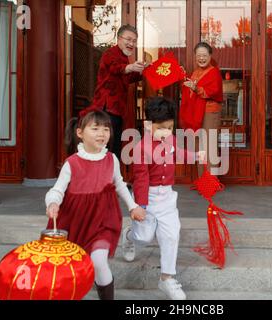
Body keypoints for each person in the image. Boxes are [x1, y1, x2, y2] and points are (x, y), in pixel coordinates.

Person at [45, 110, 146, 300]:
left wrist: (133, 206)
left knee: (99, 260)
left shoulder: (111, 159)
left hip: (103, 219)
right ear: (80, 133)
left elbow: (120, 184)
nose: (102, 133)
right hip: (75, 220)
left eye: (106, 129)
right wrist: (52, 202)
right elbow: (57, 190)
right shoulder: (72, 163)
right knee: (71, 264)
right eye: (95, 128)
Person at [121, 97, 205, 300]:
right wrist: (139, 206)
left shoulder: (171, 139)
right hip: (147, 197)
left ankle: (166, 278)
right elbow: (140, 179)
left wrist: (195, 156)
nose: (166, 132)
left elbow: (179, 153)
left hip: (167, 197)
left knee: (171, 235)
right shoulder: (141, 148)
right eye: (161, 128)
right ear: (148, 125)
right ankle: (129, 236)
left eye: (170, 128)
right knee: (144, 237)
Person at [91, 24, 146, 160]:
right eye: (128, 39)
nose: (131, 43)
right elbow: (116, 68)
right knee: (106, 146)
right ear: (119, 39)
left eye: (134, 41)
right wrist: (131, 67)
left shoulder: (124, 57)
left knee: (115, 146)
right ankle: (103, 179)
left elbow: (126, 77)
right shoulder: (110, 54)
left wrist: (144, 72)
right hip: (106, 108)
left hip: (118, 109)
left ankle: (113, 178)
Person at [180, 42, 223, 176]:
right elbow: (190, 90)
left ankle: (210, 183)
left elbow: (213, 91)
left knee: (209, 146)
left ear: (210, 56)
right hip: (197, 114)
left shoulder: (214, 72)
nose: (201, 58)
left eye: (204, 55)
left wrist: (195, 88)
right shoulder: (195, 72)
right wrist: (182, 76)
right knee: (200, 146)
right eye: (199, 55)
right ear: (195, 57)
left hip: (210, 112)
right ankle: (202, 180)